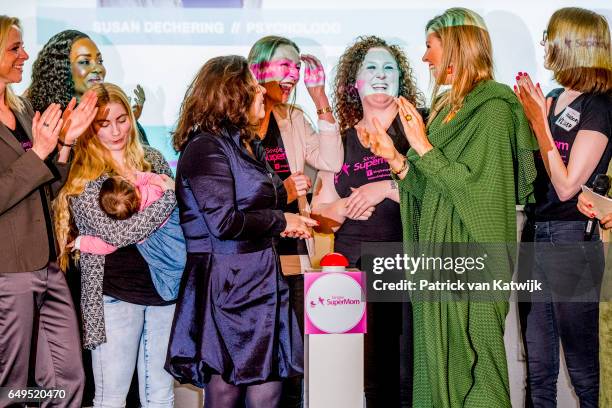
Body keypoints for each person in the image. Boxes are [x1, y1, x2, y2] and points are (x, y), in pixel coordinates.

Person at [367, 8, 538, 407]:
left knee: (481, 369)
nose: (425, 57)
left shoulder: (494, 107)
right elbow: (435, 191)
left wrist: (422, 144)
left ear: (457, 46)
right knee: (436, 365)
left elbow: (479, 192)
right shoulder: (444, 108)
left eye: (430, 46)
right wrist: (397, 158)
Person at [166, 55, 316, 408]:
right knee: (227, 389)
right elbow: (224, 223)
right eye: (253, 87)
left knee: (269, 386)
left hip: (260, 277)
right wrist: (283, 221)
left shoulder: (246, 144)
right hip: (228, 285)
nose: (262, 92)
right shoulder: (205, 147)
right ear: (232, 97)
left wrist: (285, 221)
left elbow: (266, 199)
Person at [310, 35, 422, 408]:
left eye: (388, 67)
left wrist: (385, 189)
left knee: (405, 377)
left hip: (402, 263)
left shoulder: (418, 134)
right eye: (370, 68)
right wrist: (343, 206)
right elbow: (320, 213)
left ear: (401, 80)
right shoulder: (339, 141)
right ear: (353, 83)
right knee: (367, 381)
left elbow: (437, 198)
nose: (379, 75)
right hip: (349, 270)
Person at [54, 82, 178, 408]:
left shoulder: (152, 158)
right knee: (111, 398)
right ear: (91, 127)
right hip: (113, 296)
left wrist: (173, 200)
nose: (116, 131)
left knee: (161, 396)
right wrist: (169, 197)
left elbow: (180, 219)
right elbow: (116, 234)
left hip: (165, 291)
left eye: (122, 120)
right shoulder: (84, 172)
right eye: (104, 124)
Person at [514, 7, 612, 407]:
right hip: (533, 235)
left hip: (574, 240)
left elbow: (568, 185)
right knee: (538, 371)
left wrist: (539, 124)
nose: (545, 46)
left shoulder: (600, 103)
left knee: (584, 373)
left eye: (550, 37)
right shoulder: (550, 97)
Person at [0, 15, 98, 408]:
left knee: (67, 376)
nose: (25, 55)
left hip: (47, 264)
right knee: (11, 384)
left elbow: (47, 189)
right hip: (8, 271)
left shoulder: (21, 109)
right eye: (14, 48)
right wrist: (39, 152)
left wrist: (64, 148)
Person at [248, 35, 343, 407]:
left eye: (297, 68)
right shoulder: (237, 120)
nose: (293, 75)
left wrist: (320, 100)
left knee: (292, 354)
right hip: (250, 253)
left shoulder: (294, 118)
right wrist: (283, 189)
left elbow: (332, 162)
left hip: (292, 252)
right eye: (284, 66)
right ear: (257, 68)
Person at [73, 172, 185, 302]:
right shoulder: (154, 190)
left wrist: (80, 242)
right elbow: (155, 178)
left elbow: (107, 245)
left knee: (169, 279)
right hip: (177, 234)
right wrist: (139, 177)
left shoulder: (132, 226)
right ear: (131, 185)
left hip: (161, 250)